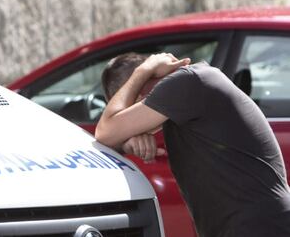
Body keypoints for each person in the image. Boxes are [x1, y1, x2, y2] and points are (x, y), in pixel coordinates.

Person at [95, 52, 290, 237]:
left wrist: (142, 71)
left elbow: (106, 132)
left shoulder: (188, 82)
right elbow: (111, 137)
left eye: (128, 108)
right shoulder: (187, 93)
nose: (131, 116)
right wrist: (127, 143)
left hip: (261, 227)